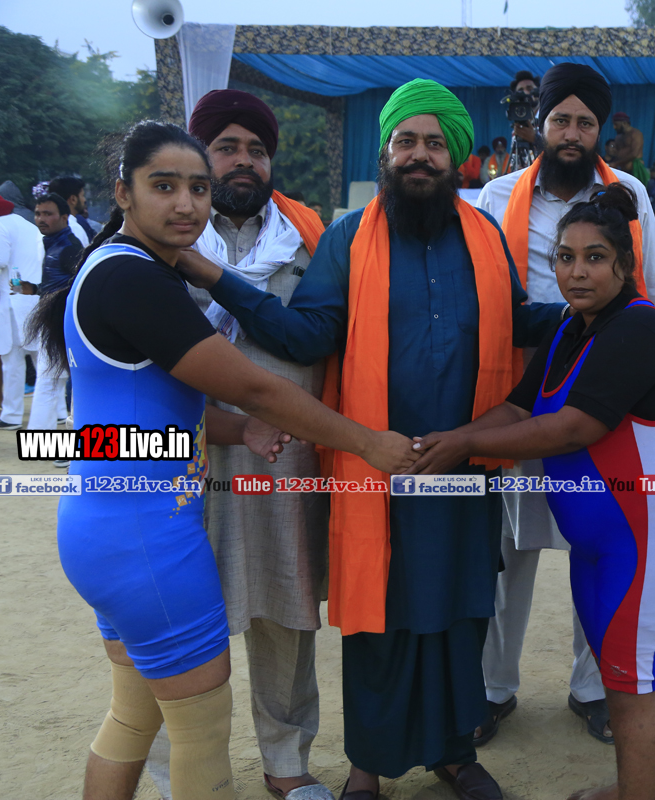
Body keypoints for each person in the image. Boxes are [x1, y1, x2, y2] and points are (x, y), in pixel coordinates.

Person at [176, 79, 565, 800]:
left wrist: (595, 311)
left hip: (463, 462)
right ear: (385, 153)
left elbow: (517, 321)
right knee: (376, 617)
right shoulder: (350, 237)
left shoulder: (485, 235)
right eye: (405, 141)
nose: (420, 155)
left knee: (461, 608)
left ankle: (455, 753)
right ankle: (369, 764)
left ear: (456, 155)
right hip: (373, 466)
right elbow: (306, 334)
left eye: (434, 143)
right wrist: (215, 277)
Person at [29, 119, 412, 800]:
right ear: (123, 192)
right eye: (164, 186)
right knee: (201, 738)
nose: (186, 204)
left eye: (198, 188)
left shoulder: (120, 267)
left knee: (132, 719)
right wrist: (368, 443)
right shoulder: (135, 279)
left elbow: (141, 413)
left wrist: (238, 431)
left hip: (106, 532)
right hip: (149, 543)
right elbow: (257, 384)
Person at [410, 183, 655, 800]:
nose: (577, 272)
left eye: (595, 257)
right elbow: (520, 409)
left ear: (624, 265)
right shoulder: (573, 328)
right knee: (618, 679)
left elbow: (574, 427)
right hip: (596, 548)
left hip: (646, 543)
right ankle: (628, 791)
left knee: (634, 686)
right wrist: (453, 437)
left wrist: (463, 446)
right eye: (566, 258)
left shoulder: (640, 327)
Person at [135, 89, 338, 800]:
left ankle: (286, 762)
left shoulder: (309, 239)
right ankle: (178, 772)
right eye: (227, 147)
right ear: (201, 156)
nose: (244, 160)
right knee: (178, 617)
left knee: (287, 606)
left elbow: (326, 337)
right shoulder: (161, 241)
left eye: (257, 149)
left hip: (285, 457)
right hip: (183, 459)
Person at [475, 61, 655, 750]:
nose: (571, 133)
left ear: (599, 131)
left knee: (603, 544)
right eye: (560, 119)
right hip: (519, 397)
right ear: (540, 125)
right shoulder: (497, 196)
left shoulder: (630, 195)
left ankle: (595, 688)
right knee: (507, 551)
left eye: (585, 123)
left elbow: (653, 290)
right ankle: (492, 687)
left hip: (605, 402)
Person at [0, 191, 42, 431]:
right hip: (33, 297)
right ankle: (59, 412)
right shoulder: (27, 225)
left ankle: (11, 416)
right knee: (41, 359)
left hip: (12, 302)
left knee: (12, 360)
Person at [26, 192, 80, 434]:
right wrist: (34, 289)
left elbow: (80, 286)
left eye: (48, 214)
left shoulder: (69, 247)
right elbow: (58, 285)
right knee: (53, 382)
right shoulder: (55, 244)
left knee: (50, 383)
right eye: (38, 214)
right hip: (55, 322)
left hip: (63, 324)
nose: (41, 219)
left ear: (64, 217)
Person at [610, 112, 648, 184]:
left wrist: (616, 163)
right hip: (621, 171)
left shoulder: (636, 134)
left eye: (616, 124)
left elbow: (634, 154)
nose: (614, 127)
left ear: (624, 123)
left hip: (634, 171)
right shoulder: (618, 137)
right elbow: (617, 153)